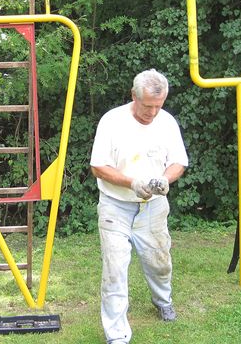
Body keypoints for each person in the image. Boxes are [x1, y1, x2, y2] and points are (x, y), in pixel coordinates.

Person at [90, 69, 188, 344]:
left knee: (160, 263)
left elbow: (179, 162)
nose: (153, 113)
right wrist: (132, 183)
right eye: (148, 106)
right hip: (115, 207)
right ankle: (117, 336)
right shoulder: (112, 121)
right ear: (133, 96)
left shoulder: (166, 122)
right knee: (115, 270)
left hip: (154, 208)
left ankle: (163, 300)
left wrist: (164, 180)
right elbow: (98, 167)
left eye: (159, 106)